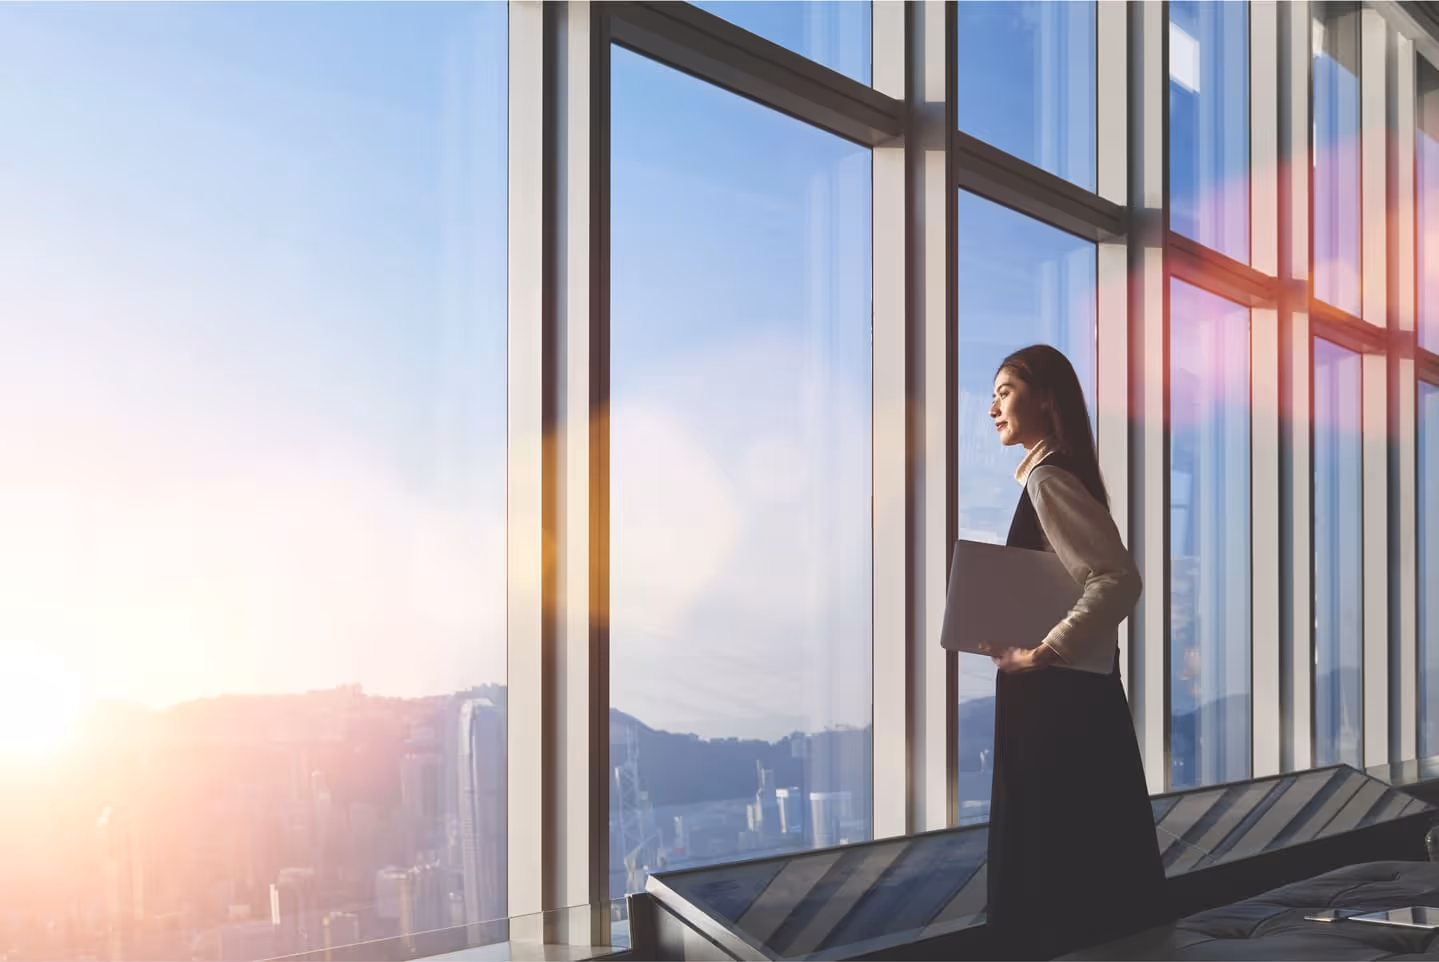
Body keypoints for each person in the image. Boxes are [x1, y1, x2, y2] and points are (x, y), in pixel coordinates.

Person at [982, 344, 1169, 960]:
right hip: (1068, 702)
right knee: (1090, 873)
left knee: (1054, 871)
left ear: (1045, 398)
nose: (993, 409)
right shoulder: (1054, 473)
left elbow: (1117, 579)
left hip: (1056, 711)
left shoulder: (1048, 478)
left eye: (1005, 390)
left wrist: (1043, 653)